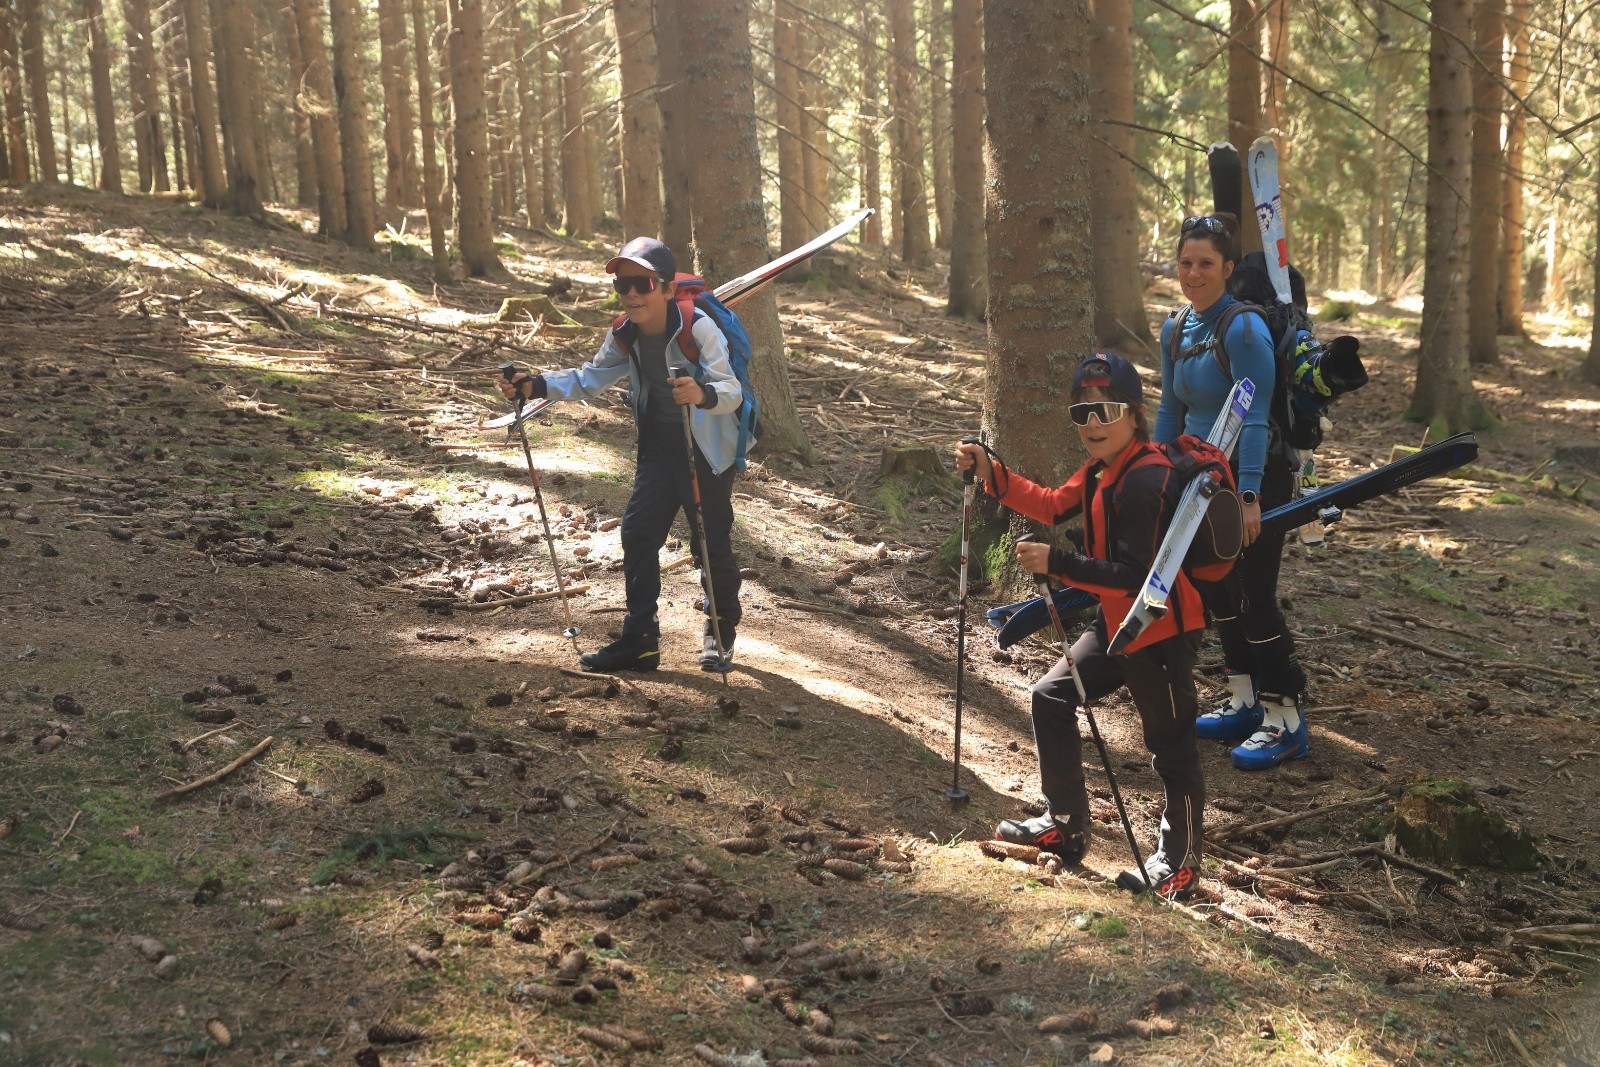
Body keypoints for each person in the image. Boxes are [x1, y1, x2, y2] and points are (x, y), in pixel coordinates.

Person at [955, 353, 1209, 900]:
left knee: (1172, 747)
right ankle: (1065, 824)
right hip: (1118, 622)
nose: (1093, 423)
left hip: (1160, 631)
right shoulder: (1101, 469)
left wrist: (1059, 564)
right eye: (1082, 412)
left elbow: (1138, 577)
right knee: (1050, 696)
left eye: (1107, 410)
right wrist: (992, 472)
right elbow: (1051, 505)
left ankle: (1180, 863)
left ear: (1134, 415)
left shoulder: (1145, 480)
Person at [498, 237, 744, 673]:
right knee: (637, 533)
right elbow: (589, 377)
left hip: (706, 450)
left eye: (643, 284)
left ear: (667, 289)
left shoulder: (698, 326)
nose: (631, 293)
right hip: (659, 447)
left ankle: (721, 630)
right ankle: (640, 641)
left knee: (710, 542)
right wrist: (535, 385)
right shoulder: (625, 332)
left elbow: (731, 391)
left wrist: (701, 393)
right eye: (622, 284)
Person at [1154, 214, 1309, 770]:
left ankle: (1285, 717)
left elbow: (1257, 417)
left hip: (1253, 475)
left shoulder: (1243, 329)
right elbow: (1170, 410)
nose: (1193, 274)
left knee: (1253, 597)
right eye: (1185, 263)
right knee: (1218, 592)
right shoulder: (1175, 329)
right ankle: (1243, 700)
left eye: (1205, 264)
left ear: (1227, 269)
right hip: (1199, 479)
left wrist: (1249, 497)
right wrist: (1151, 474)